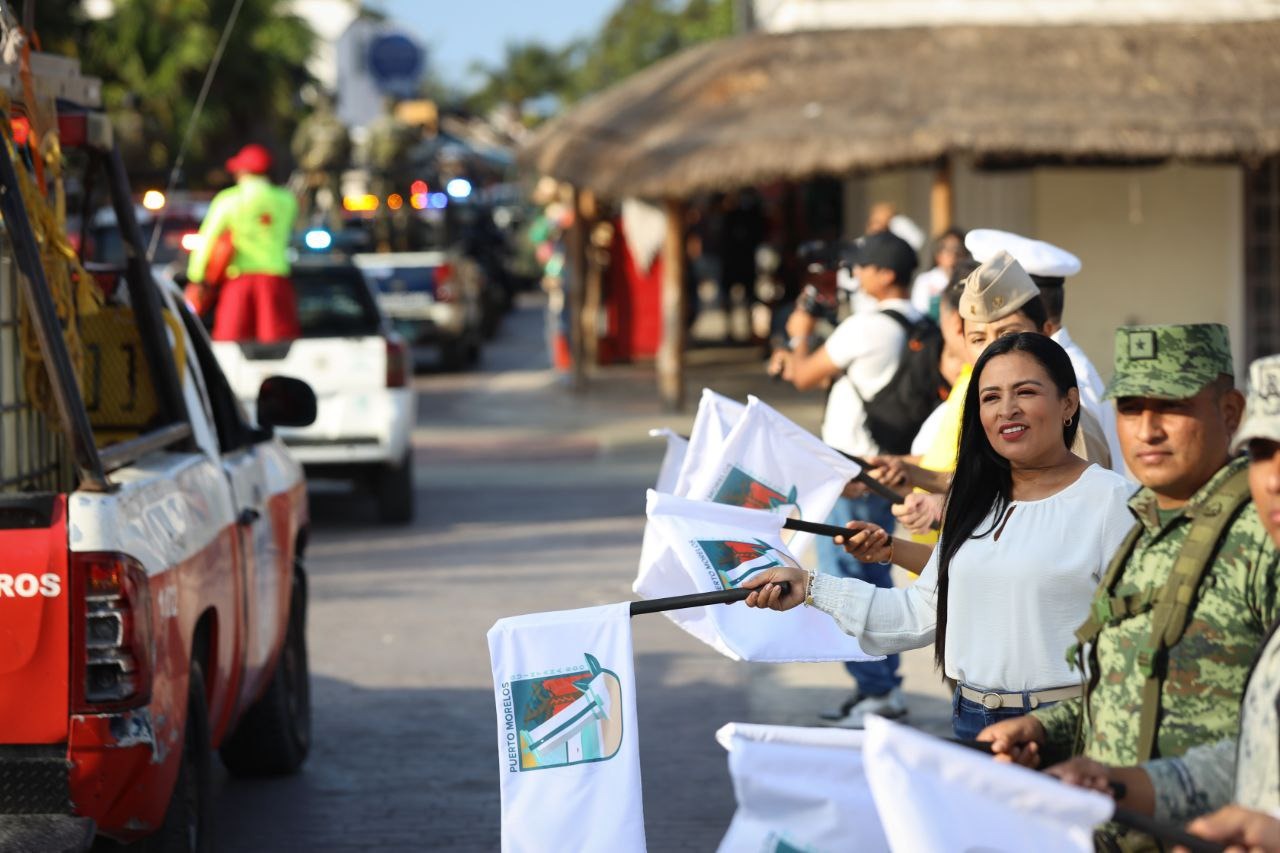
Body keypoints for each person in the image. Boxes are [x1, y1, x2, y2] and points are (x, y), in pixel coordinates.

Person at [748, 326, 1135, 738]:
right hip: (970, 721)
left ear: (1068, 403)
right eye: (990, 398)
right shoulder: (974, 500)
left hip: (1069, 728)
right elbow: (917, 614)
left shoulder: (1113, 501)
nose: (1007, 409)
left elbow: (1139, 648)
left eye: (1025, 392)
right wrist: (809, 587)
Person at [979, 324, 1280, 846]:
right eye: (1131, 408)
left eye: (1172, 407)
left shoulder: (1263, 532)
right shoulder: (1144, 526)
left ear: (1230, 412)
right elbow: (1125, 686)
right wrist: (1047, 730)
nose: (1147, 431)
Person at [767, 230, 923, 726]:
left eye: (864, 267)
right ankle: (882, 687)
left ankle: (876, 691)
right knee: (872, 574)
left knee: (847, 581)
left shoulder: (867, 327)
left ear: (884, 274)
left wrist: (799, 328)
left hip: (850, 474)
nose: (855, 275)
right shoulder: (913, 319)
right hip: (883, 468)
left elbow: (802, 373)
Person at [965, 228, 1124, 472]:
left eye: (1007, 335)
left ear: (1044, 329)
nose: (992, 349)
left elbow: (1079, 491)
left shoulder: (1065, 383)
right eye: (977, 338)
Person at [186, 144, 300, 343]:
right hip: (276, 280)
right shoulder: (287, 200)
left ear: (243, 172)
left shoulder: (229, 199)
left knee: (230, 342)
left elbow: (207, 239)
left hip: (238, 281)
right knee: (278, 344)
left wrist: (197, 276)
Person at [911, 227, 967, 321]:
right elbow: (918, 313)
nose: (953, 255)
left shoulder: (970, 280)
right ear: (938, 255)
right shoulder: (925, 281)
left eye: (958, 249)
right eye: (947, 249)